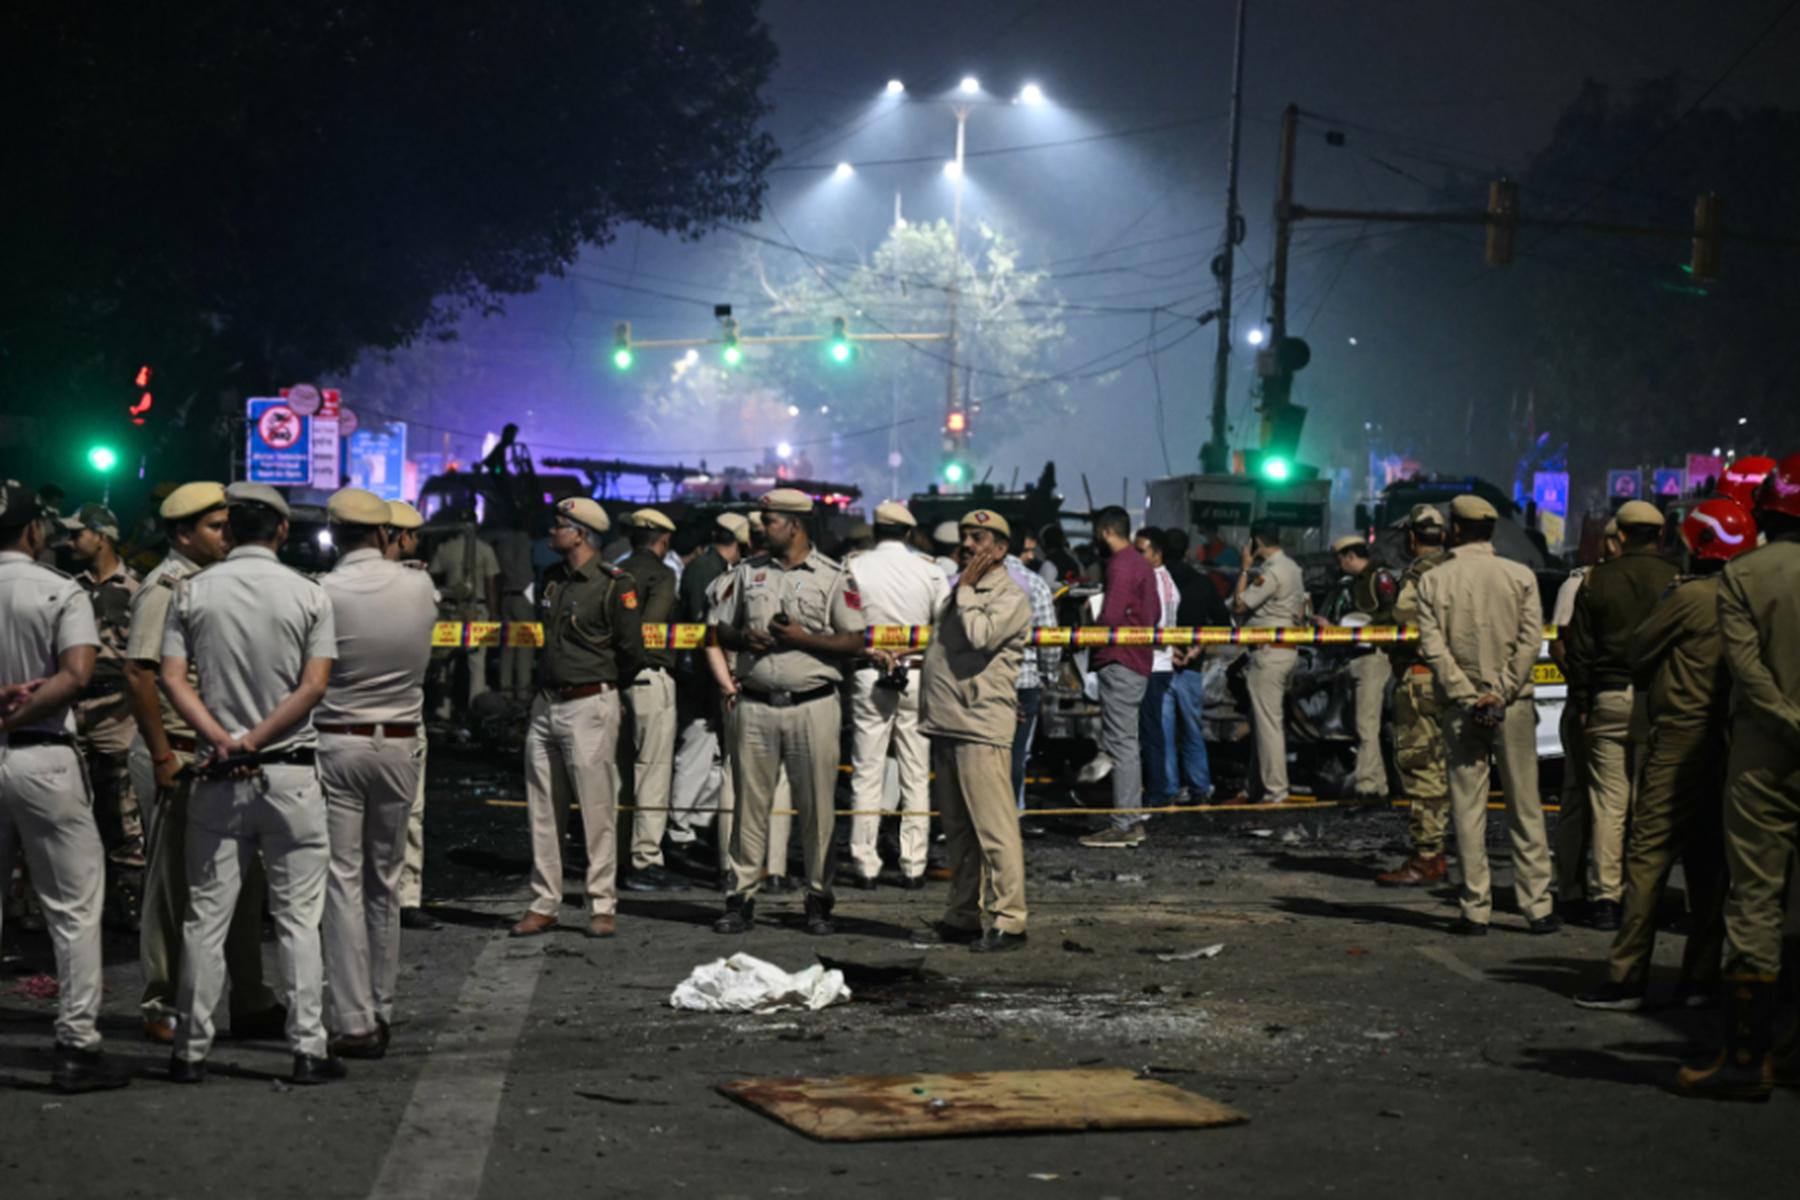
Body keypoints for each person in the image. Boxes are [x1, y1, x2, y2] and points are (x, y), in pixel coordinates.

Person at [159, 482, 344, 1084]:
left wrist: (224, 739)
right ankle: (309, 1049)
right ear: (283, 530)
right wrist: (257, 739)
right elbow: (314, 686)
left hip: (217, 776)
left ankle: (189, 1051)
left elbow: (172, 679)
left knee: (205, 920)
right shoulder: (309, 593)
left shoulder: (191, 591)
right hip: (289, 775)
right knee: (298, 919)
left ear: (229, 531)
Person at [1576, 498, 1749, 1012]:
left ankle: (1627, 975)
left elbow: (1638, 651)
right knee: (1708, 861)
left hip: (1679, 736)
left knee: (1648, 856)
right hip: (1730, 737)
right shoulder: (1746, 594)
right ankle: (1699, 977)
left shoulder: (1690, 596)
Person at [125, 483, 283, 1044]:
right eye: (215, 527)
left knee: (239, 882)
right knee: (173, 886)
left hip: (216, 750)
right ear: (182, 534)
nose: (227, 535)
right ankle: (161, 1002)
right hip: (176, 749)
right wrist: (163, 756)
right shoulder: (166, 588)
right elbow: (139, 675)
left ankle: (251, 997)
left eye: (227, 525)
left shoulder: (211, 583)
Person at [0, 481, 132, 1092]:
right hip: (44, 759)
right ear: (34, 531)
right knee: (75, 908)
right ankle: (77, 1046)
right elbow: (76, 675)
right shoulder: (60, 590)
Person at [1677, 457, 1800, 1101]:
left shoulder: (1744, 574)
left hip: (1764, 757)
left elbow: (1748, 672)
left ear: (1768, 509)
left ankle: (1746, 1059)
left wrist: (1786, 719)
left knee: (1754, 899)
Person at [314, 488, 436, 1059]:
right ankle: (381, 1006)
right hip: (402, 744)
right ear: (385, 533)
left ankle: (353, 1018)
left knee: (341, 880)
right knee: (385, 882)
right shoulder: (420, 587)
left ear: (333, 535)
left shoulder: (323, 591)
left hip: (338, 741)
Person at [711, 489, 866, 936]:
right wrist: (744, 637)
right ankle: (739, 898)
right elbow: (718, 627)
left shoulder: (832, 577)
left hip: (812, 705)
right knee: (748, 807)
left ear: (795, 525)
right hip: (755, 703)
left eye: (770, 520)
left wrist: (802, 639)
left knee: (817, 809)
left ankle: (818, 899)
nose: (761, 527)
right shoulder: (747, 573)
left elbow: (854, 640)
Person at [1415, 494, 1557, 937]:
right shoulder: (1520, 576)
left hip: (1461, 711)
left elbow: (1433, 648)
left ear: (1455, 530)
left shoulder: (1433, 581)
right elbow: (1530, 641)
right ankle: (1537, 906)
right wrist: (1500, 692)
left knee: (1467, 808)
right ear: (1492, 530)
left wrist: (1467, 695)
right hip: (1512, 707)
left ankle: (1476, 908)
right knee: (1525, 805)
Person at [510, 498, 644, 940]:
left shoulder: (613, 584)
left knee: (596, 808)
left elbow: (631, 651)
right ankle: (544, 902)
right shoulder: (552, 579)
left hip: (590, 703)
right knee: (542, 810)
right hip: (548, 702)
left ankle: (602, 904)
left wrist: (602, 687)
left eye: (560, 525)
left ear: (580, 534)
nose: (553, 532)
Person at [918, 510, 1033, 951]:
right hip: (949, 720)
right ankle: (963, 914)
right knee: (959, 831)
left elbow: (981, 635)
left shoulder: (1008, 595)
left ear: (1000, 549)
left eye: (978, 538)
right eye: (965, 536)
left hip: (979, 724)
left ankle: (1010, 920)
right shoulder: (961, 589)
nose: (966, 544)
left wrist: (965, 590)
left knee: (994, 830)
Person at [1564, 499, 1678, 931]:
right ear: (1660, 536)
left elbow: (1581, 650)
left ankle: (1605, 899)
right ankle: (1642, 896)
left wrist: (1581, 702)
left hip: (1607, 697)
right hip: (1657, 698)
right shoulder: (1675, 580)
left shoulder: (1596, 580)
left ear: (1621, 535)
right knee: (1648, 804)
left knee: (1607, 804)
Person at [845, 501, 948, 888]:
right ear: (908, 533)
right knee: (916, 773)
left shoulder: (854, 567)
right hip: (917, 673)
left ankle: (865, 863)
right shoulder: (929, 570)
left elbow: (842, 621)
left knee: (867, 772)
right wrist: (908, 649)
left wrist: (877, 650)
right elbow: (945, 626)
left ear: (875, 531)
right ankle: (913, 864)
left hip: (869, 671)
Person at [61, 503, 145, 905]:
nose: (70, 542)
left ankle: (127, 897)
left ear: (102, 536)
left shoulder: (136, 588)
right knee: (68, 805)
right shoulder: (69, 587)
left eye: (78, 534)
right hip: (73, 707)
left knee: (122, 806)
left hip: (118, 711)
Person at [1377, 505, 1453, 886]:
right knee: (1455, 770)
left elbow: (1406, 623)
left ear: (1411, 537)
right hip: (1461, 684)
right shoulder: (1460, 570)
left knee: (1423, 767)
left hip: (1423, 679)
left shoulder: (1420, 574)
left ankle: (1427, 856)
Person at [1550, 517, 1620, 918]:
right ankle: (1574, 888)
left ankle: (1594, 889)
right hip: (1587, 703)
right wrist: (1582, 691)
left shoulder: (1611, 583)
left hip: (1598, 702)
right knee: (1582, 796)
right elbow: (1561, 644)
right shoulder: (1579, 583)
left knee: (1601, 801)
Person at [668, 513, 749, 855]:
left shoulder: (710, 566)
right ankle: (681, 826)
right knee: (697, 750)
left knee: (711, 754)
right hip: (704, 675)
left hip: (706, 672)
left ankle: (696, 821)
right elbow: (705, 629)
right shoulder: (709, 570)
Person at [1079, 506, 1159, 848]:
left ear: (1104, 531)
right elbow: (1154, 613)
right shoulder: (1141, 564)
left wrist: (1087, 628)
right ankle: (1131, 820)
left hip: (1119, 659)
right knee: (1127, 741)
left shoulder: (1121, 564)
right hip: (1138, 659)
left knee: (1121, 744)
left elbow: (1111, 615)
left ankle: (1125, 823)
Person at [385, 500, 441, 931]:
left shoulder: (336, 583)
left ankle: (396, 896)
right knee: (409, 812)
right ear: (401, 538)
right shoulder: (417, 584)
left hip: (350, 718)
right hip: (402, 712)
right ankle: (404, 896)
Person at [618, 508, 682, 891]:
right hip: (648, 675)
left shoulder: (616, 571)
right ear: (665, 539)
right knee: (652, 771)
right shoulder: (662, 574)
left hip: (614, 682)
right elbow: (650, 628)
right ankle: (645, 860)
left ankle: (618, 855)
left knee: (621, 774)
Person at [1232, 519, 1307, 805]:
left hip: (1268, 653)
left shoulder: (1272, 571)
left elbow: (1240, 604)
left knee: (1268, 726)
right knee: (1263, 724)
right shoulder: (1292, 567)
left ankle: (1275, 791)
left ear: (1257, 542)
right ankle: (1255, 788)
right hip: (1283, 650)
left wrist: (1244, 568)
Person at [1320, 535, 1398, 801]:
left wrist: (1360, 627)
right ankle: (1375, 782)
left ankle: (1367, 785)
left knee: (1367, 725)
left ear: (1351, 557)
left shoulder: (1379, 578)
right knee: (1363, 725)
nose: (1339, 566)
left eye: (1340, 560)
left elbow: (1393, 613)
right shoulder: (1352, 583)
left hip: (1372, 657)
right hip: (1356, 657)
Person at [1163, 529, 1224, 804]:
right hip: (1192, 664)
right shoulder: (1202, 583)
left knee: (1163, 732)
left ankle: (1168, 788)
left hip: (1161, 663)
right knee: (1191, 730)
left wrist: (1168, 648)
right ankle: (1199, 786)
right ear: (1187, 551)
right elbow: (1222, 623)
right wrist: (1199, 647)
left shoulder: (1157, 581)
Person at [1003, 530, 1062, 813]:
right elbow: (1049, 638)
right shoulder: (1035, 583)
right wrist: (1049, 675)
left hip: (984, 679)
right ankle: (1012, 812)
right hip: (1025, 678)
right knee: (1017, 751)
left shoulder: (974, 579)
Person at [428, 512, 500, 719]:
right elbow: (491, 584)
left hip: (450, 609)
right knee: (477, 663)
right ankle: (476, 710)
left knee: (445, 661)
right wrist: (494, 613)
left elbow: (434, 576)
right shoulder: (485, 549)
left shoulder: (446, 548)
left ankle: (443, 710)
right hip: (478, 607)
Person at [1132, 527, 1182, 811]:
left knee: (1150, 731)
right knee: (1153, 730)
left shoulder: (1156, 582)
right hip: (1158, 662)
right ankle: (1158, 788)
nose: (1136, 557)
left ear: (1157, 554)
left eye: (1141, 551)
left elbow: (1155, 626)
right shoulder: (1164, 580)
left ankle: (1156, 792)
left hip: (1153, 663)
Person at [489, 521, 537, 697]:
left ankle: (505, 690)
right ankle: (523, 690)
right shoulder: (528, 542)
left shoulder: (502, 543)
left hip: (507, 595)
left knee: (507, 646)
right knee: (525, 645)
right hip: (525, 595)